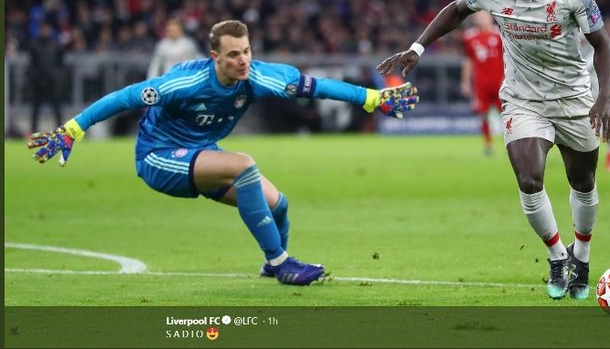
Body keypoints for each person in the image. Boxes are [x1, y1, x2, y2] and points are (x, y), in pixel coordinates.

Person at [27, 19, 419, 286]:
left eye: (246, 51)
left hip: (201, 153)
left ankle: (271, 262)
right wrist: (71, 130)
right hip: (159, 157)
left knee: (278, 204)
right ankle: (283, 265)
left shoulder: (262, 75)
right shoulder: (185, 82)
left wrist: (373, 98)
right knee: (245, 165)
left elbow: (320, 87)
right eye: (233, 55)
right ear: (215, 57)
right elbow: (125, 96)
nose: (243, 60)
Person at [377, 0, 610, 300]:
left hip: (574, 98)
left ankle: (581, 257)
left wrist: (603, 99)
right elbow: (455, 12)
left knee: (583, 183)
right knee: (529, 179)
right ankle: (557, 256)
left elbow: (603, 45)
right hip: (523, 99)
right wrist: (417, 49)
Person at [459, 11, 505, 155]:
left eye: (483, 16)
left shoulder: (500, 34)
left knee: (506, 114)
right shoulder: (469, 36)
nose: (480, 19)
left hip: (500, 82)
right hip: (481, 84)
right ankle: (488, 144)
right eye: (477, 17)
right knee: (483, 113)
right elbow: (468, 60)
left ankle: (510, 143)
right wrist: (465, 81)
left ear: (490, 17)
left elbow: (508, 57)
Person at [581, 36, 610, 172]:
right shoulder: (574, 49)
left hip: (599, 96)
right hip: (583, 97)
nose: (579, 36)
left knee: (606, 124)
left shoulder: (596, 50)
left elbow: (586, 66)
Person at [28, 23, 67, 133]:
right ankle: (33, 132)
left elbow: (61, 64)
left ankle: (60, 132)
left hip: (52, 83)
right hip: (38, 83)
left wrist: (58, 78)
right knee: (35, 111)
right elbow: (32, 64)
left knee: (57, 110)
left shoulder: (56, 46)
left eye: (47, 29)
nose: (45, 31)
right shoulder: (35, 45)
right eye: (43, 29)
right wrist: (33, 77)